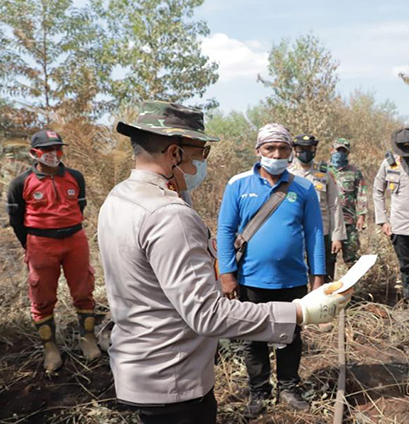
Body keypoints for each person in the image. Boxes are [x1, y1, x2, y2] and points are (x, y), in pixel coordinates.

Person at [98, 102, 350, 424]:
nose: (202, 163)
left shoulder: (119, 198)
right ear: (175, 153)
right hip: (174, 377)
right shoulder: (169, 215)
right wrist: (301, 312)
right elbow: (207, 315)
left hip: (141, 367)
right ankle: (260, 389)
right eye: (201, 153)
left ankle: (287, 385)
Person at [217, 123, 327, 417]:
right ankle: (259, 391)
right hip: (250, 278)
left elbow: (315, 233)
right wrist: (227, 274)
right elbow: (226, 230)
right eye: (270, 148)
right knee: (253, 337)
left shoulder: (304, 188)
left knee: (290, 335)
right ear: (258, 151)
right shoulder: (238, 184)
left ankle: (289, 386)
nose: (276, 154)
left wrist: (318, 278)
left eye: (283, 149)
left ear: (291, 152)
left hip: (292, 279)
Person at [7, 129, 99, 372]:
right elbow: (16, 219)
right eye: (46, 150)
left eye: (57, 148)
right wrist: (30, 245)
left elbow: (81, 206)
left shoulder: (75, 177)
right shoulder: (20, 183)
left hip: (75, 239)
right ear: (33, 153)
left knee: (83, 290)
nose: (53, 154)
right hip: (40, 243)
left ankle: (87, 338)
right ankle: (50, 347)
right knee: (42, 297)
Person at [373, 127, 409, 308]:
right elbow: (378, 190)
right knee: (407, 266)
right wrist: (383, 220)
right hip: (399, 225)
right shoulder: (389, 164)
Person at [289, 134, 346, 285]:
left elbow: (334, 205)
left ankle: (323, 305)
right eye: (302, 149)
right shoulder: (287, 173)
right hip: (295, 231)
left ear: (314, 150)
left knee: (323, 273)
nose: (306, 152)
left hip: (322, 231)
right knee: (295, 272)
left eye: (309, 148)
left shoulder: (324, 174)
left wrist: (337, 236)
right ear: (295, 150)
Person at [329, 138, 368, 268]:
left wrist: (362, 215)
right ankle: (327, 287)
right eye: (338, 150)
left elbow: (361, 193)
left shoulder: (354, 171)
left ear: (348, 153)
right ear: (331, 150)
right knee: (328, 259)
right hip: (329, 222)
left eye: (343, 151)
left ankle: (355, 287)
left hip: (348, 222)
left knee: (352, 259)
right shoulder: (323, 171)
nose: (340, 153)